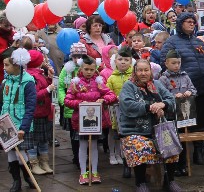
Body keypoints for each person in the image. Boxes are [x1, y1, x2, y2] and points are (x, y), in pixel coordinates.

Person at [118, 59, 180, 192]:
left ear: (150, 71)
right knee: (140, 146)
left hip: (157, 130)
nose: (143, 73)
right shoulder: (129, 86)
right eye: (140, 70)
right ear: (135, 71)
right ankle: (140, 183)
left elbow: (171, 100)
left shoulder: (157, 84)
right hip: (134, 130)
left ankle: (170, 181)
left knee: (172, 145)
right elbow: (127, 105)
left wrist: (163, 105)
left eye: (146, 70)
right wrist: (149, 107)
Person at [161, 12, 204, 166]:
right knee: (183, 122)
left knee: (201, 122)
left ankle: (198, 151)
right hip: (182, 91)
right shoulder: (171, 42)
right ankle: (183, 158)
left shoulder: (199, 42)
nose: (192, 24)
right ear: (180, 24)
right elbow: (165, 62)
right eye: (188, 21)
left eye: (193, 21)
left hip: (201, 89)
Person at [64, 55, 117, 185]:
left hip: (95, 121)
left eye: (91, 70)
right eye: (86, 69)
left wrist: (104, 100)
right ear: (81, 68)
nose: (88, 72)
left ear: (95, 69)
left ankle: (94, 171)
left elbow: (111, 95)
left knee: (93, 146)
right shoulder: (75, 83)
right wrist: (81, 103)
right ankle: (83, 172)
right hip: (81, 121)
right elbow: (67, 100)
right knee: (82, 146)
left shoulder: (99, 82)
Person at [2, 47, 37, 192]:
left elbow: (30, 107)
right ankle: (16, 181)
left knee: (21, 153)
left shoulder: (28, 82)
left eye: (6, 65)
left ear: (16, 64)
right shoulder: (6, 81)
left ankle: (27, 176)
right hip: (6, 123)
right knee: (10, 152)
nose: (4, 68)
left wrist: (24, 127)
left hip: (20, 123)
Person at [158, 49, 196, 176]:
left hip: (184, 115)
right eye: (173, 63)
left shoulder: (185, 76)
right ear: (166, 63)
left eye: (178, 63)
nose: (176, 65)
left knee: (184, 141)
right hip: (170, 115)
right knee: (172, 142)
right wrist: (174, 96)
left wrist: (190, 92)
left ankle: (183, 165)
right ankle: (172, 168)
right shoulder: (163, 79)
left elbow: (193, 89)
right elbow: (161, 96)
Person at [25, 49, 54, 175]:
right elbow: (34, 95)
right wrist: (48, 89)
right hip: (36, 113)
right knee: (34, 141)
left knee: (43, 139)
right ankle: (34, 163)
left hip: (43, 112)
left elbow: (44, 85)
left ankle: (44, 162)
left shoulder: (39, 73)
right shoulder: (32, 76)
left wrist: (49, 78)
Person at [106, 46, 134, 172]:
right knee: (114, 133)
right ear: (115, 61)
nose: (123, 62)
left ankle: (124, 155)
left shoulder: (133, 76)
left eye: (126, 60)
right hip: (115, 110)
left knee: (127, 133)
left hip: (130, 110)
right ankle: (113, 154)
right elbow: (107, 92)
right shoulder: (112, 77)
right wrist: (113, 98)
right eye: (120, 59)